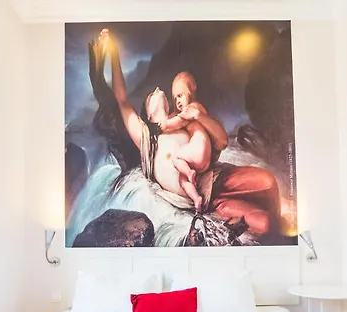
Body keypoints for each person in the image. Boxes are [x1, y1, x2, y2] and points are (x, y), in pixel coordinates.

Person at [93, 30, 281, 240]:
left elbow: (221, 141)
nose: (157, 90)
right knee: (262, 222)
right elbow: (122, 100)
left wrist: (200, 117)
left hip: (216, 178)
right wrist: (114, 54)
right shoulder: (147, 139)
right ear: (147, 114)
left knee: (267, 182)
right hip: (206, 200)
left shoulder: (181, 120)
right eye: (151, 95)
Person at [158, 72, 220, 212]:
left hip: (199, 150)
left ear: (191, 91)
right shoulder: (191, 110)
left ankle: (190, 173)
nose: (177, 101)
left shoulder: (194, 107)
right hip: (203, 161)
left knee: (176, 158)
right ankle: (196, 199)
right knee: (182, 179)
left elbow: (178, 122)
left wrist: (165, 125)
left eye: (180, 96)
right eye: (175, 99)